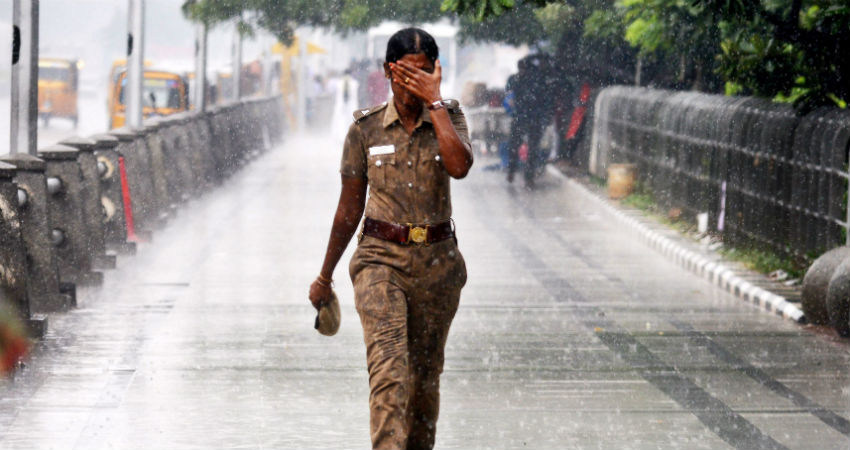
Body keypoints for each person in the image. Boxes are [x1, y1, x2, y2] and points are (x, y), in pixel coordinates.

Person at [309, 28, 473, 450]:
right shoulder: (364, 131)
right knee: (389, 373)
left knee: (423, 378)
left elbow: (459, 166)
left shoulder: (449, 118)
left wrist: (434, 103)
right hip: (380, 261)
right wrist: (324, 277)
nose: (412, 83)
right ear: (388, 71)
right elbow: (348, 210)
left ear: (436, 72)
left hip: (438, 265)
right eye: (405, 73)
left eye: (423, 73)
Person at [505, 53, 555, 188]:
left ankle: (515, 171)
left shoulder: (518, 79)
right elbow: (547, 100)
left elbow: (509, 95)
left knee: (518, 146)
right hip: (532, 118)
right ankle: (526, 176)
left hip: (524, 117)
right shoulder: (539, 80)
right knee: (530, 147)